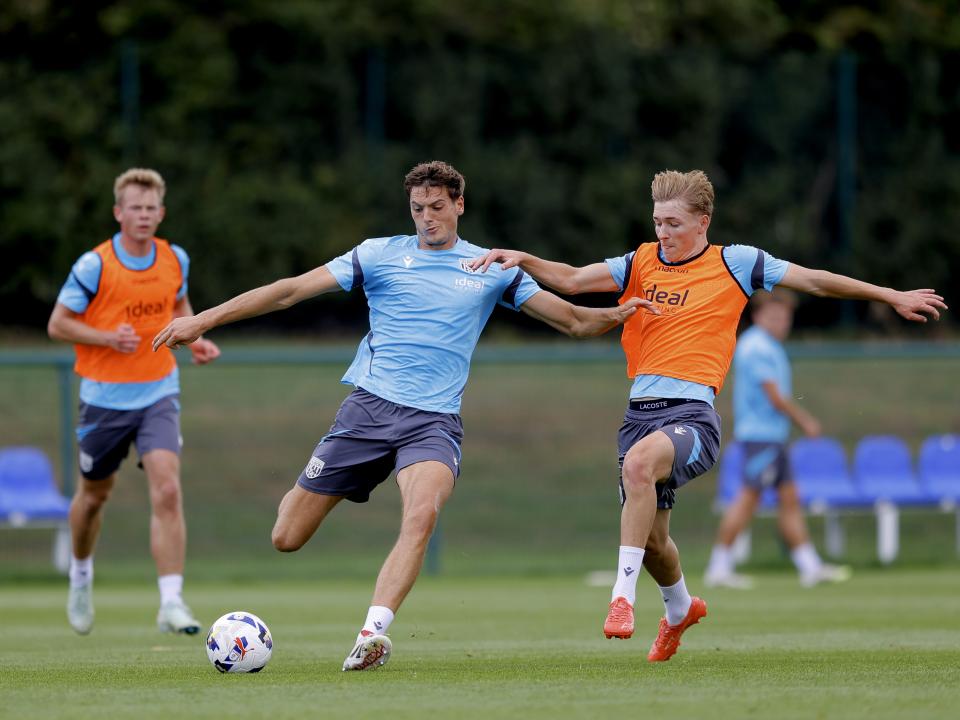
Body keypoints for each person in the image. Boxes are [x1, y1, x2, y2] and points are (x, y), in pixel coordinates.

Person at [151, 160, 653, 671]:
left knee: (421, 515)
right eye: (417, 209)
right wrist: (203, 319)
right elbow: (289, 291)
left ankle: (370, 635)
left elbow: (572, 320)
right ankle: (325, 487)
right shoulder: (377, 254)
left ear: (459, 205)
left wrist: (618, 314)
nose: (427, 218)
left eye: (437, 207)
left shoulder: (492, 268)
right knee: (286, 536)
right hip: (367, 411)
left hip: (433, 424)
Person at [470, 169, 946, 662]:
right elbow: (571, 279)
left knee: (639, 465)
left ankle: (621, 598)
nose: (663, 233)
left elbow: (815, 281)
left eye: (674, 223)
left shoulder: (736, 262)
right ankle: (680, 609)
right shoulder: (640, 261)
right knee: (654, 543)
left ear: (703, 222)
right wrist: (524, 259)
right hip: (638, 415)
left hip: (693, 416)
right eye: (658, 222)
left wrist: (890, 295)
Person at [48, 168, 221, 636]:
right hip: (103, 399)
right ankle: (81, 576)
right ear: (118, 213)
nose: (143, 215)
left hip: (158, 392)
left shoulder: (174, 259)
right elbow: (58, 324)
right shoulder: (95, 265)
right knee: (93, 498)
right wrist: (106, 337)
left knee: (167, 490)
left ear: (160, 213)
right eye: (135, 208)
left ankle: (171, 602)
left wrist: (195, 339)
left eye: (151, 208)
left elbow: (179, 308)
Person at [703, 288, 851, 589]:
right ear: (758, 317)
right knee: (748, 499)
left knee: (789, 500)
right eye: (773, 317)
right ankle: (718, 568)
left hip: (774, 437)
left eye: (784, 318)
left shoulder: (770, 346)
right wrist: (805, 421)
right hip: (760, 438)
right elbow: (774, 396)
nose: (781, 323)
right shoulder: (756, 346)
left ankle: (809, 567)